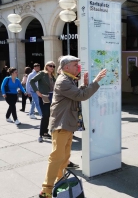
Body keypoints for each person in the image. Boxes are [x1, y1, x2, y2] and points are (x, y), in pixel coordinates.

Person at [39, 55, 107, 198]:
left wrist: (84, 84)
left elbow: (75, 94)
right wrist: (95, 82)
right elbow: (80, 96)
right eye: (75, 65)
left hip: (67, 123)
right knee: (57, 157)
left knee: (64, 157)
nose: (78, 67)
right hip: (61, 124)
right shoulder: (63, 80)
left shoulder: (68, 79)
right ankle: (46, 190)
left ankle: (59, 181)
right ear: (66, 67)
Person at [30, 61, 56, 142]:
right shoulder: (42, 73)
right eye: (50, 66)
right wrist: (37, 91)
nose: (52, 67)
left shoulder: (53, 76)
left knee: (49, 115)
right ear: (46, 66)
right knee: (45, 115)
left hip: (52, 97)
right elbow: (32, 81)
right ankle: (41, 134)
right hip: (44, 97)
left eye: (53, 66)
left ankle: (45, 132)